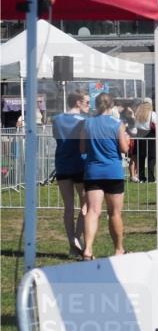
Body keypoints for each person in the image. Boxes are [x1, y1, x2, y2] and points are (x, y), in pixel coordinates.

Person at [80, 93, 130, 260]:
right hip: (113, 172)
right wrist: (127, 141)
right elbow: (124, 149)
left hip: (93, 172)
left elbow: (82, 149)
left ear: (96, 104)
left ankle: (87, 249)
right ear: (111, 105)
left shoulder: (87, 123)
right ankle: (118, 249)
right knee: (114, 213)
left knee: (93, 212)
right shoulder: (118, 124)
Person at [52, 90, 90, 256]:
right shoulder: (84, 121)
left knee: (68, 207)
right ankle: (76, 238)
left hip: (62, 164)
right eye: (87, 102)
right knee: (85, 205)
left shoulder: (57, 119)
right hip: (80, 164)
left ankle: (72, 242)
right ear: (78, 103)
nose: (89, 106)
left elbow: (56, 137)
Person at [132, 97, 157, 182]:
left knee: (141, 158)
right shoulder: (152, 114)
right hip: (150, 137)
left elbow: (134, 126)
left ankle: (141, 178)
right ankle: (151, 178)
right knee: (152, 158)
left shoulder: (137, 114)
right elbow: (157, 125)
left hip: (139, 136)